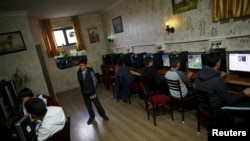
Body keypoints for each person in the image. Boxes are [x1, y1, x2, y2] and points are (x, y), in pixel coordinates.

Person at [195, 50, 250, 116]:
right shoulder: (217, 80)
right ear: (218, 64)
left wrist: (218, 75)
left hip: (204, 106)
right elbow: (230, 101)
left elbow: (211, 81)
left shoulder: (198, 74)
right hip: (217, 109)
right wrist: (244, 93)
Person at [77, 60, 109, 125]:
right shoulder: (78, 73)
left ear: (85, 65)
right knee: (88, 106)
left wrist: (93, 89)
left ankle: (103, 115)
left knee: (97, 104)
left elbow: (94, 80)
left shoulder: (90, 71)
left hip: (91, 92)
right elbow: (80, 82)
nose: (81, 67)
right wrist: (83, 89)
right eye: (80, 65)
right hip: (84, 93)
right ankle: (92, 116)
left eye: (82, 65)